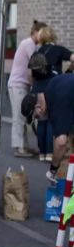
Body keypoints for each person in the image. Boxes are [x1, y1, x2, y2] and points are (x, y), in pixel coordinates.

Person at [23, 72, 74, 185]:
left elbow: (61, 142)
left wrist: (53, 169)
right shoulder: (52, 84)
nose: (38, 118)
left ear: (38, 107)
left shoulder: (56, 106)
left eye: (36, 116)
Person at [30, 26, 73, 161]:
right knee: (50, 120)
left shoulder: (37, 52)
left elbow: (30, 73)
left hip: (38, 87)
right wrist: (69, 71)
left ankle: (42, 153)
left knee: (41, 120)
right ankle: (50, 153)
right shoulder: (58, 49)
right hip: (54, 87)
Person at [8, 21, 46, 158]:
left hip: (22, 84)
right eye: (42, 32)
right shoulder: (28, 44)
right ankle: (19, 148)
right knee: (19, 116)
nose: (43, 36)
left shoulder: (31, 45)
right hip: (18, 84)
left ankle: (24, 146)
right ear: (35, 32)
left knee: (23, 115)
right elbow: (36, 64)